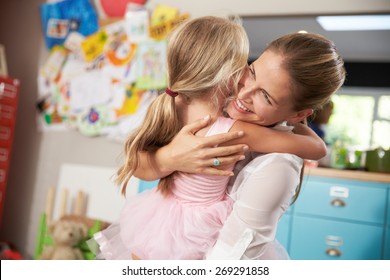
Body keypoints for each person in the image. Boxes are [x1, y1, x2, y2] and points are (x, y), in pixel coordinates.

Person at [92, 16, 327, 260]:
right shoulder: (234, 128)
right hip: (194, 231)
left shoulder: (175, 103)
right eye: (250, 70)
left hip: (157, 219)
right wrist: (170, 158)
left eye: (266, 96)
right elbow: (315, 149)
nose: (245, 92)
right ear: (226, 72)